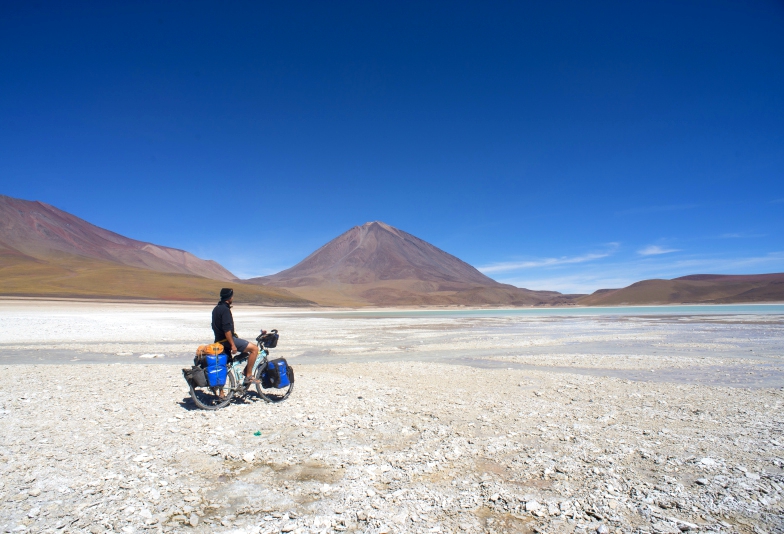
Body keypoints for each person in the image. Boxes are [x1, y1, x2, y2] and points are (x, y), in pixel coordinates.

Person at [211, 288, 264, 386]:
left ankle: (221, 394)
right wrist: (232, 345)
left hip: (218, 341)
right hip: (226, 340)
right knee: (254, 349)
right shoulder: (225, 310)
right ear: (229, 297)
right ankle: (248, 375)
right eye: (232, 296)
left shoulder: (216, 309)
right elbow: (227, 330)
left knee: (225, 366)